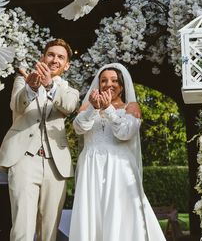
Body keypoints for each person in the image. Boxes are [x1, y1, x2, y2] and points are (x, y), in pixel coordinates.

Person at [69, 63, 166, 241]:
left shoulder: (131, 107)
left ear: (122, 86)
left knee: (120, 212)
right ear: (98, 85)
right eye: (104, 81)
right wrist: (94, 108)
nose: (108, 84)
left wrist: (108, 110)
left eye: (114, 80)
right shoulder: (87, 107)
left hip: (119, 167)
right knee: (92, 213)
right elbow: (79, 128)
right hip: (91, 166)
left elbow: (125, 133)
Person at [0, 39, 80, 241]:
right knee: (22, 227)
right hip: (24, 159)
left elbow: (68, 106)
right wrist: (31, 88)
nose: (55, 59)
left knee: (49, 229)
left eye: (61, 57)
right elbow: (16, 104)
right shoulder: (23, 80)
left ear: (66, 65)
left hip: (55, 164)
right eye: (51, 54)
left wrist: (49, 84)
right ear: (42, 57)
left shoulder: (70, 90)